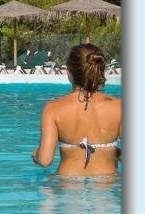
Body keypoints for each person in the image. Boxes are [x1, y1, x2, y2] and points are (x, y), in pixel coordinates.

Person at [31, 43, 121, 176]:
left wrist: (36, 154)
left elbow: (45, 160)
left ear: (69, 72)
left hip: (67, 186)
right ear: (100, 70)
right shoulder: (119, 107)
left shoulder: (52, 109)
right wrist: (113, 152)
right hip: (107, 186)